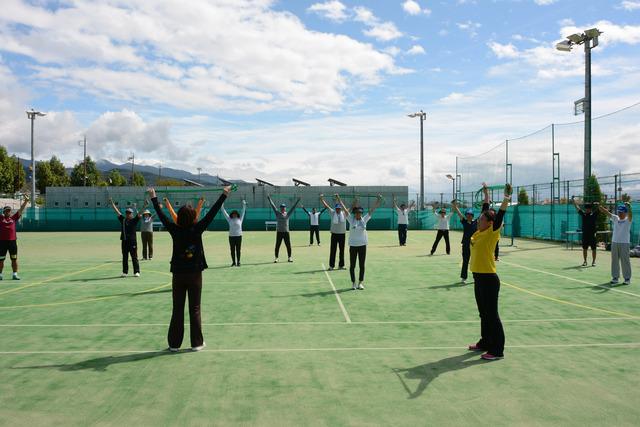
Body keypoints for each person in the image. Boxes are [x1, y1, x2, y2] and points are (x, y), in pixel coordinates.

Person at [148, 185, 231, 352]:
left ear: (179, 218)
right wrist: (224, 194)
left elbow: (163, 216)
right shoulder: (197, 228)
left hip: (178, 274)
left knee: (177, 308)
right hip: (195, 274)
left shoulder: (174, 229)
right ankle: (197, 343)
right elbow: (212, 212)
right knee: (195, 308)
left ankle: (174, 344)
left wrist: (154, 198)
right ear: (193, 216)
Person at [468, 183, 512, 361]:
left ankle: (497, 350)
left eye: (481, 220)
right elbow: (486, 210)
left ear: (490, 223)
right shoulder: (479, 233)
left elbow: (499, 215)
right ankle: (485, 342)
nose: (478, 221)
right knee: (483, 313)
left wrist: (506, 199)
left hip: (488, 279)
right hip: (478, 277)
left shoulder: (492, 232)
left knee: (492, 315)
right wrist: (486, 193)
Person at [337, 194, 382, 290]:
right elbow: (344, 209)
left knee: (362, 265)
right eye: (357, 213)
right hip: (353, 246)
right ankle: (353, 283)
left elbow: (372, 210)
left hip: (362, 246)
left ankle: (360, 283)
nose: (359, 214)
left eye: (360, 213)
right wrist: (339, 199)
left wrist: (378, 200)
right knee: (352, 265)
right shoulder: (350, 219)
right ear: (354, 213)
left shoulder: (364, 219)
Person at [452, 186, 488, 284]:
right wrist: (455, 206)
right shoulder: (464, 222)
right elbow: (458, 213)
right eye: (467, 214)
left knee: (476, 261)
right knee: (465, 261)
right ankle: (464, 277)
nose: (468, 216)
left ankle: (477, 277)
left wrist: (486, 194)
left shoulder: (477, 222)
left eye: (470, 215)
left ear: (472, 216)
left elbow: (484, 210)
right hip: (466, 245)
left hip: (475, 245)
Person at [108, 199, 145, 277]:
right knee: (125, 257)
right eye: (127, 213)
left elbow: (140, 213)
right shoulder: (123, 220)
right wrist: (112, 204)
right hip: (124, 242)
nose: (128, 214)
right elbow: (117, 212)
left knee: (134, 257)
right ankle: (125, 272)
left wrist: (145, 206)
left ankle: (136, 272)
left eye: (130, 213)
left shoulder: (134, 220)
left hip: (132, 242)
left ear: (132, 214)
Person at [599, 202, 633, 285]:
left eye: (621, 212)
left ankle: (627, 278)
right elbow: (608, 213)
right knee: (614, 260)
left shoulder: (628, 220)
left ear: (625, 212)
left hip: (625, 243)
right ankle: (615, 277)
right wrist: (600, 207)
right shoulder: (616, 218)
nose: (620, 213)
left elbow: (630, 215)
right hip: (614, 242)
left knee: (625, 261)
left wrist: (629, 207)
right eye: (619, 212)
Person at [0, 197, 29, 281]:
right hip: (2, 242)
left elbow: (21, 210)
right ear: (4, 212)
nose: (8, 212)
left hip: (12, 242)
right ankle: (0, 274)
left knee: (14, 259)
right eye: (6, 210)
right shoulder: (1, 219)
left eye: (9, 210)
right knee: (1, 260)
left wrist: (26, 201)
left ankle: (15, 274)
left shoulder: (13, 218)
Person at [267, 195, 301, 263]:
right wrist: (269, 199)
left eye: (284, 207)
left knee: (288, 245)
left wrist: (297, 201)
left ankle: (289, 257)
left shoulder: (288, 214)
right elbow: (273, 206)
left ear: (285, 208)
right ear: (280, 208)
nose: (282, 208)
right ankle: (276, 258)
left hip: (286, 232)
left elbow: (293, 207)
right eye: (281, 207)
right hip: (279, 232)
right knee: (277, 245)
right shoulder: (277, 213)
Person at [320, 194, 347, 270]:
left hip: (342, 235)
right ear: (335, 209)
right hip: (334, 234)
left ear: (341, 209)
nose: (338, 210)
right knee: (333, 250)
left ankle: (341, 265)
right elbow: (327, 205)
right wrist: (322, 199)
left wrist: (356, 200)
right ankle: (331, 266)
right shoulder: (332, 212)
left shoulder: (344, 213)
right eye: (337, 209)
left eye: (339, 208)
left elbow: (351, 207)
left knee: (342, 251)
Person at [573, 198, 598, 267]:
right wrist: (574, 202)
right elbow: (577, 208)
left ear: (590, 209)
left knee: (594, 249)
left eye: (588, 208)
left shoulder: (594, 214)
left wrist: (600, 202)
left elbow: (601, 207)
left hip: (592, 235)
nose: (586, 209)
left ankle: (593, 262)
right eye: (586, 208)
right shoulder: (583, 214)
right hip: (585, 235)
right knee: (584, 249)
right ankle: (585, 261)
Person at [222, 200, 246, 266]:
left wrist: (244, 204)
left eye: (235, 214)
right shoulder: (229, 219)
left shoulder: (240, 219)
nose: (234, 214)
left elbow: (243, 211)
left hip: (239, 236)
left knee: (238, 250)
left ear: (237, 214)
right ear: (232, 215)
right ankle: (233, 262)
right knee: (232, 250)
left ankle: (238, 262)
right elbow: (224, 212)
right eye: (233, 214)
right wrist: (222, 205)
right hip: (231, 237)